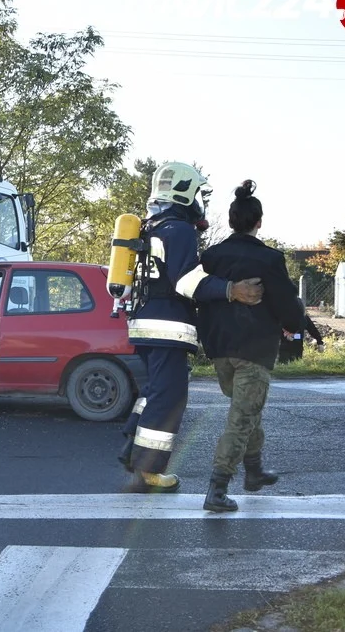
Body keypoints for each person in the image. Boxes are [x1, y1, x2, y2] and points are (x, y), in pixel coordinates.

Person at [119, 162, 265, 493]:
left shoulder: (150, 226)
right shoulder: (179, 230)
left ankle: (132, 448)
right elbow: (186, 281)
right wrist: (231, 290)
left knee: (156, 391)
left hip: (144, 324)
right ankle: (149, 473)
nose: (201, 200)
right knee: (169, 399)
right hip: (168, 328)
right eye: (198, 192)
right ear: (185, 192)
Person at [191, 180, 304, 513]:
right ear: (259, 222)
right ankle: (217, 489)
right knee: (241, 417)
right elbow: (287, 305)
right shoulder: (269, 259)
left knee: (246, 409)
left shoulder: (211, 257)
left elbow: (200, 291)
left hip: (219, 348)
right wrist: (294, 326)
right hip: (254, 349)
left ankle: (253, 471)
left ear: (231, 221)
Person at [277, 298, 325, 364]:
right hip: (282, 346)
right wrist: (285, 337)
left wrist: (320, 342)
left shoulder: (304, 319)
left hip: (297, 345)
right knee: (282, 360)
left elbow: (313, 330)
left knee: (296, 361)